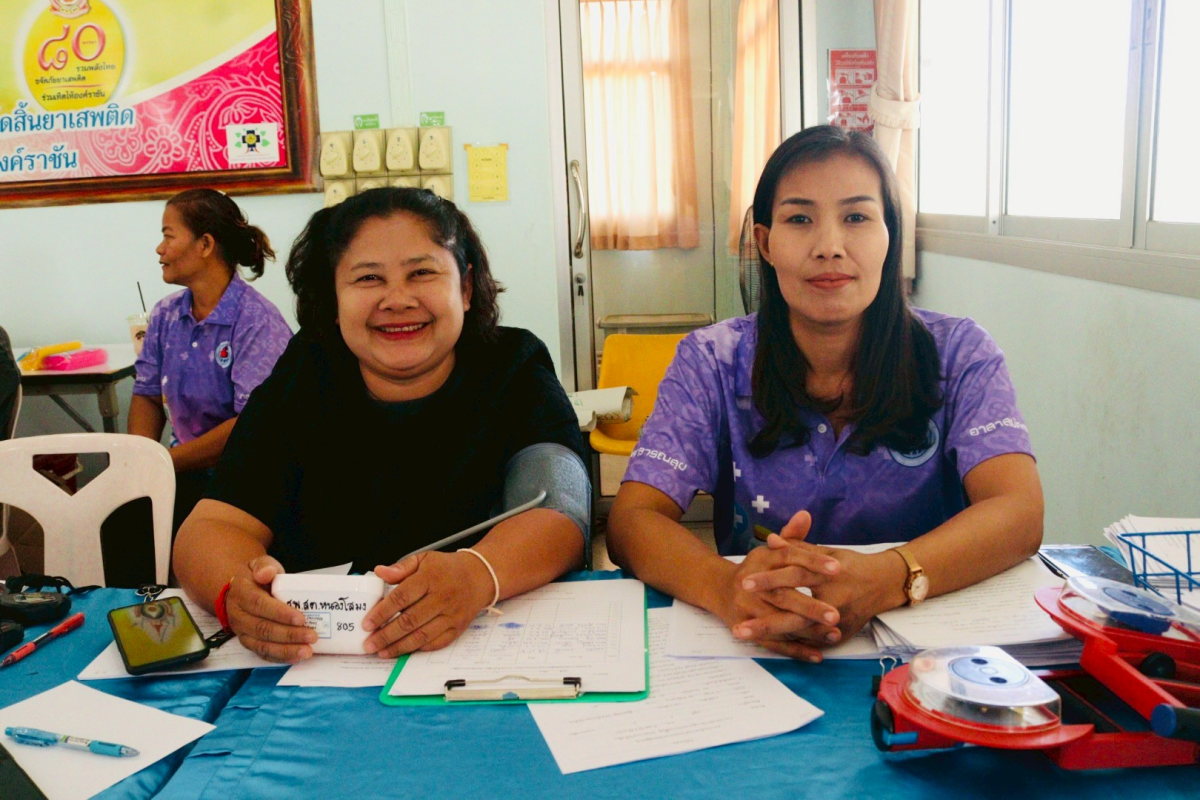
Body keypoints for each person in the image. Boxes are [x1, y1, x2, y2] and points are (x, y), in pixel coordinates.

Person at [606, 126, 1043, 662]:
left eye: (856, 217)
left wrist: (890, 576)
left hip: (929, 648)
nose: (829, 246)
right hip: (760, 648)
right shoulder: (711, 361)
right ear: (765, 243)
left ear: (891, 236)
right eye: (799, 219)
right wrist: (725, 587)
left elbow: (1018, 510)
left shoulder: (960, 353)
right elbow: (632, 521)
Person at [173, 187, 590, 663]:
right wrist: (235, 592)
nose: (397, 300)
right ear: (333, 298)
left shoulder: (513, 366)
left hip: (471, 653)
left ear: (466, 288)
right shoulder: (306, 372)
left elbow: (561, 510)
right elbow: (210, 527)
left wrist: (478, 574)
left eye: (422, 273)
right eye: (368, 278)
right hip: (318, 662)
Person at [128, 189, 293, 530]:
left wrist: (163, 463)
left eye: (168, 236)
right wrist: (140, 464)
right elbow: (147, 395)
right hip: (182, 471)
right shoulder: (166, 314)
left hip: (246, 478)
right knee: (121, 520)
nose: (159, 249)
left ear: (205, 244)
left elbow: (251, 425)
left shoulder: (257, 321)